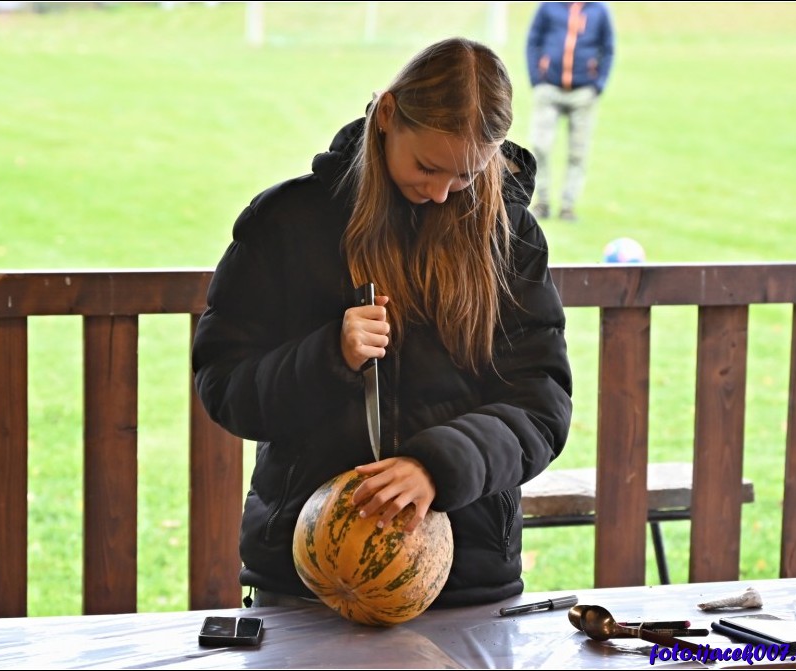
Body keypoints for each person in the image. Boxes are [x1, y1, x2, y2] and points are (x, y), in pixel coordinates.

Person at [192, 37, 573, 608]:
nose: (440, 193)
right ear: (388, 115)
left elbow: (541, 404)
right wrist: (328, 355)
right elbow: (225, 385)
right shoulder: (287, 223)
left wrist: (438, 467)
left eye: (466, 176)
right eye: (427, 167)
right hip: (304, 577)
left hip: (465, 581)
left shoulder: (510, 236)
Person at [526, 1, 615, 221]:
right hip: (549, 88)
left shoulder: (599, 10)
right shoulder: (548, 7)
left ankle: (568, 205)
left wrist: (598, 85)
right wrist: (537, 79)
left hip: (583, 92)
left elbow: (608, 48)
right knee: (540, 145)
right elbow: (533, 41)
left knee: (578, 152)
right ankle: (542, 202)